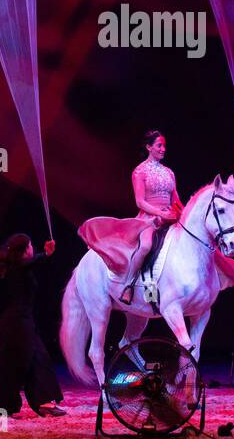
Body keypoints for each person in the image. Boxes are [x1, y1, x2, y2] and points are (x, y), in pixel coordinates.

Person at [78, 129, 184, 306]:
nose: (163, 149)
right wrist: (160, 214)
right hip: (149, 219)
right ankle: (129, 286)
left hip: (170, 216)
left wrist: (183, 213)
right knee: (146, 246)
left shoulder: (169, 172)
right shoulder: (139, 171)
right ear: (149, 147)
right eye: (159, 145)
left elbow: (176, 199)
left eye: (164, 146)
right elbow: (140, 201)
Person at [0, 234, 66, 418]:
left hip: (21, 323)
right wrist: (46, 254)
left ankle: (44, 403)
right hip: (16, 325)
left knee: (38, 359)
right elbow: (30, 263)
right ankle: (5, 409)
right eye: (30, 245)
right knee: (11, 367)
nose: (32, 248)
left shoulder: (12, 267)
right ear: (25, 250)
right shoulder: (18, 267)